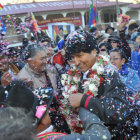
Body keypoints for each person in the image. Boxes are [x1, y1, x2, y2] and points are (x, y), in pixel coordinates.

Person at [64, 29, 131, 139]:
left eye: (79, 55)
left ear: (94, 51)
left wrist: (84, 100)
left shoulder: (109, 74)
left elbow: (119, 112)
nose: (76, 62)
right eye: (72, 57)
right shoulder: (74, 75)